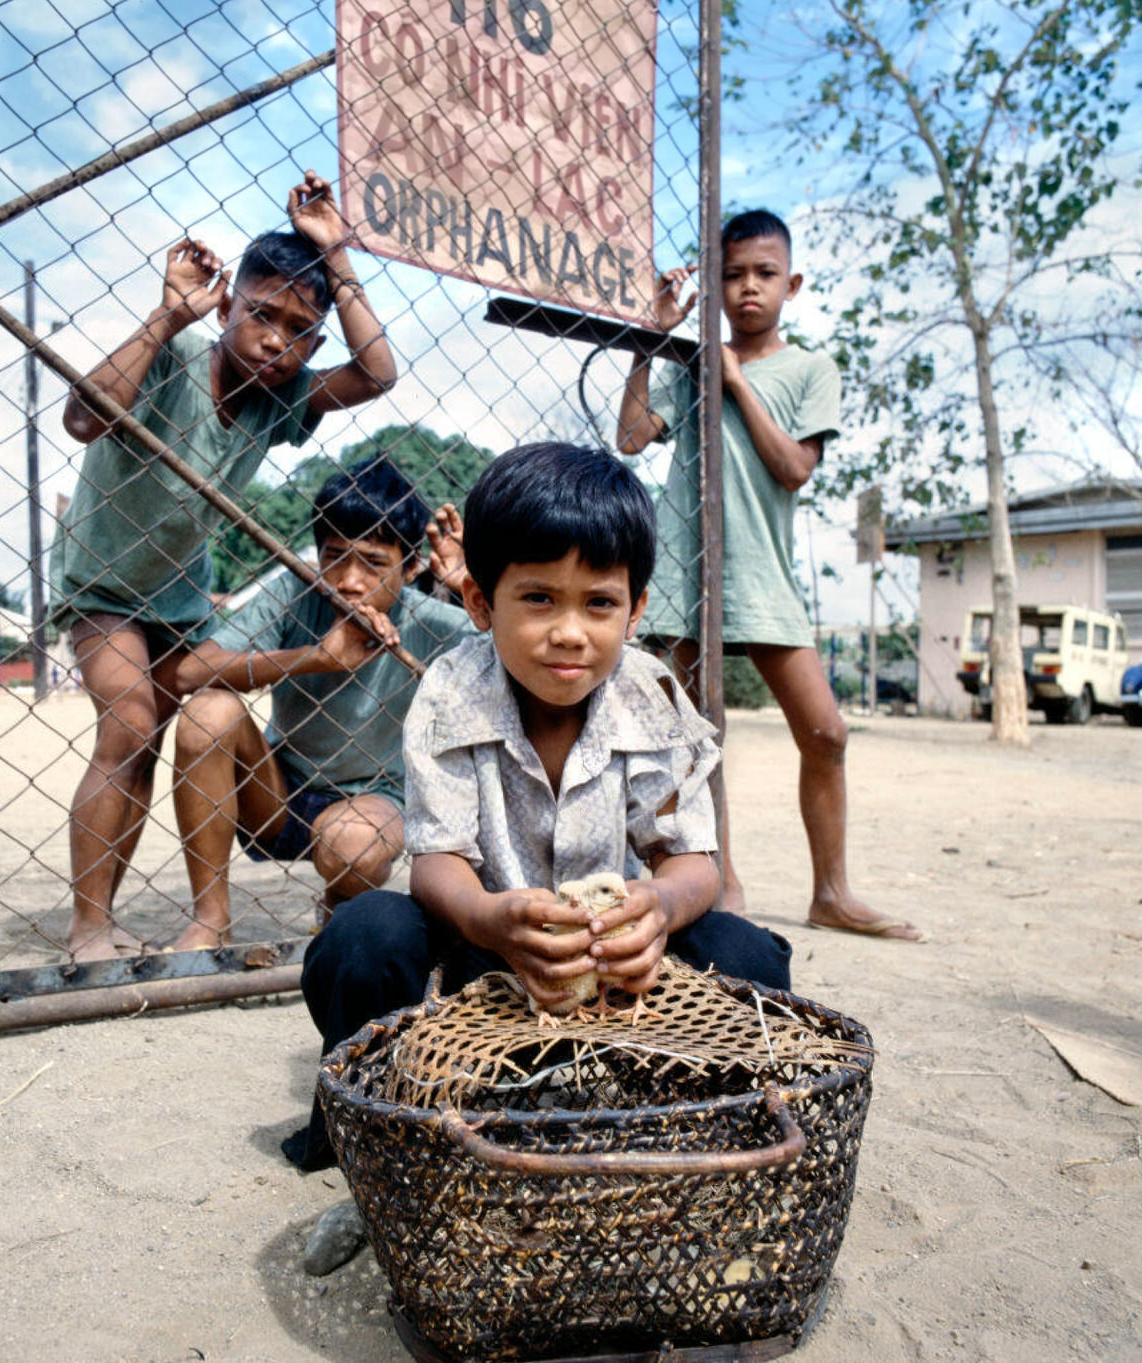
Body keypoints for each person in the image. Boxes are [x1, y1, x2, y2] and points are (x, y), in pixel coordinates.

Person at [284, 442, 793, 1171]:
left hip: (616, 971)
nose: (569, 631)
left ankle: (690, 1124)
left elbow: (691, 861)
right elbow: (438, 862)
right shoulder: (451, 691)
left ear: (636, 608)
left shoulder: (650, 694)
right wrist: (491, 919)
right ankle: (370, 1129)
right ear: (480, 602)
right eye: (538, 599)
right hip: (478, 962)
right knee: (365, 935)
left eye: (599, 603)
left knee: (745, 953)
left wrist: (655, 909)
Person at [50, 170, 397, 961]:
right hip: (101, 585)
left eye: (298, 332)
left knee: (165, 728)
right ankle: (90, 926)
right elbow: (80, 417)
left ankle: (186, 911)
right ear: (229, 304)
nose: (276, 340)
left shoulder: (279, 405)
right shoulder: (171, 362)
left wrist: (337, 255)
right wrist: (166, 315)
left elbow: (378, 373)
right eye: (262, 314)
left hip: (177, 599)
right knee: (130, 722)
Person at [615, 209, 920, 941]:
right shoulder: (686, 363)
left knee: (826, 731)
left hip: (762, 576)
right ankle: (719, 879)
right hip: (685, 569)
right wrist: (653, 340)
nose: (748, 287)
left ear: (793, 282)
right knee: (693, 737)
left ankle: (832, 891)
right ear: (715, 284)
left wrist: (736, 382)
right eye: (732, 274)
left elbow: (793, 469)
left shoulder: (810, 368)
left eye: (764, 274)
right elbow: (629, 438)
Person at [168, 458, 471, 950]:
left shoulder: (429, 619)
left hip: (373, 797)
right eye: (334, 557)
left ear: (411, 566)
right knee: (208, 712)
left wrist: (467, 588)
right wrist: (314, 658)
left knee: (353, 850)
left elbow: (518, 653)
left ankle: (340, 905)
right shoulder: (294, 589)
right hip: (276, 792)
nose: (348, 580)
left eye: (372, 562)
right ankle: (210, 918)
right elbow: (189, 671)